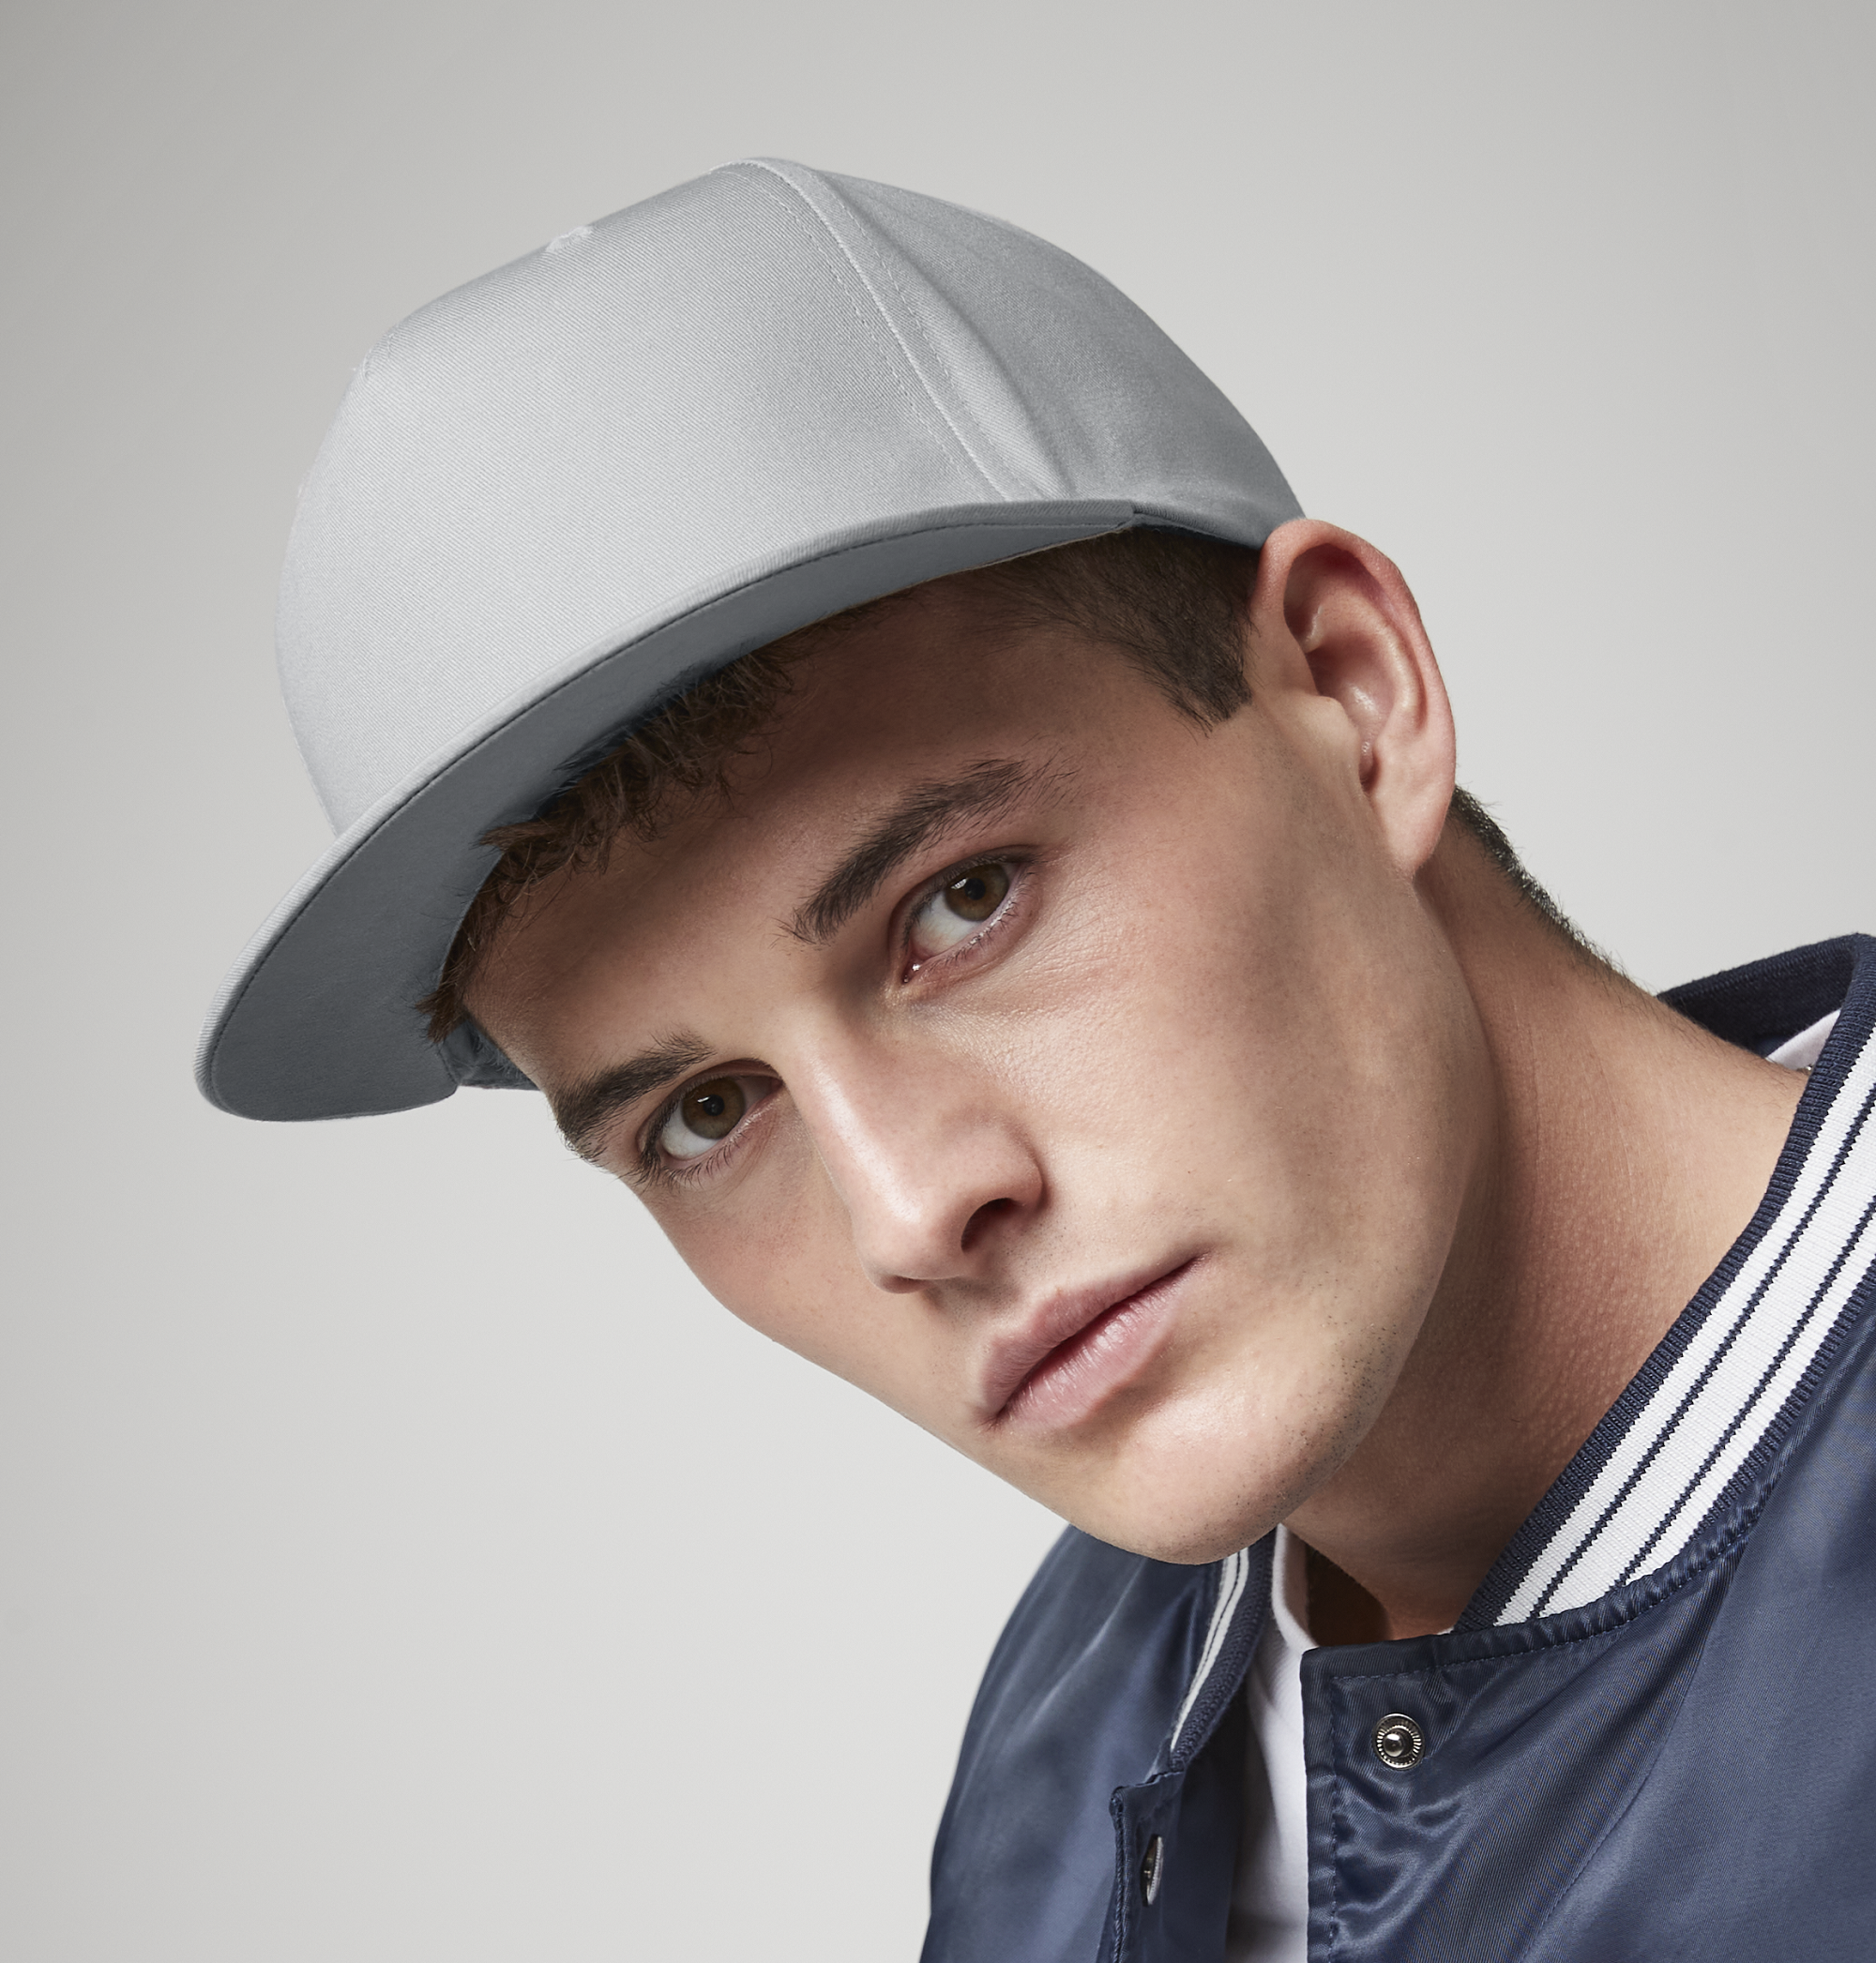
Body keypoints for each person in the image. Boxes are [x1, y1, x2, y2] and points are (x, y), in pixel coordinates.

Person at [198, 159, 1876, 1962]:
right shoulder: (1060, 1744)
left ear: (1353, 692)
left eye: (961, 903)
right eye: (705, 1113)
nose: (911, 1213)